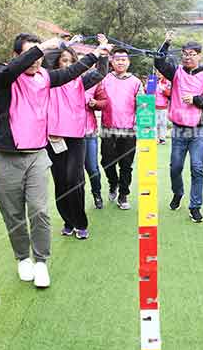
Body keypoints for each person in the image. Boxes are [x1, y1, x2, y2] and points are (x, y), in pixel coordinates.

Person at [0, 33, 103, 288]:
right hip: (7, 158)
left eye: (40, 56)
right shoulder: (4, 75)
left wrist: (98, 53)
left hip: (38, 155)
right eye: (30, 54)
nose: (36, 61)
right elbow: (8, 72)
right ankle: (23, 258)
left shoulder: (46, 77)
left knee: (39, 211)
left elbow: (73, 70)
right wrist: (42, 47)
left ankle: (41, 262)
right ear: (16, 55)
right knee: (14, 214)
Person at [47, 35, 110, 239]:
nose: (68, 64)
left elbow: (101, 72)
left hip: (76, 137)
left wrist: (102, 55)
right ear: (56, 62)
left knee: (74, 179)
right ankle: (67, 220)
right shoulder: (49, 80)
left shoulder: (81, 81)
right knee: (60, 181)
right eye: (63, 60)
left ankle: (80, 223)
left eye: (71, 61)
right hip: (54, 138)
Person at [155, 31, 203, 222]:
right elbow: (158, 62)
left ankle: (195, 206)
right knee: (175, 167)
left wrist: (196, 99)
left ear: (199, 55)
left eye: (192, 54)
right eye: (184, 53)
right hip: (179, 128)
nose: (188, 57)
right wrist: (166, 43)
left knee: (197, 168)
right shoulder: (176, 72)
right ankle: (178, 192)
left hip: (198, 128)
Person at [99, 48, 143, 210]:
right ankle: (113, 183)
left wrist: (141, 125)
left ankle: (123, 194)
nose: (120, 62)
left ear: (128, 62)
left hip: (129, 131)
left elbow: (143, 105)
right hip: (108, 129)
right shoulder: (104, 79)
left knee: (126, 164)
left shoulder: (136, 82)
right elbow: (98, 98)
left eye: (124, 59)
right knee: (106, 161)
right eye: (117, 59)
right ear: (112, 61)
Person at [84, 66, 109, 210]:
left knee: (92, 167)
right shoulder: (65, 81)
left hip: (89, 132)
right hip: (68, 134)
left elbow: (104, 101)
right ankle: (75, 200)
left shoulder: (94, 82)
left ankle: (97, 193)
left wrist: (96, 103)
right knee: (73, 172)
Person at [155, 71, 171, 144]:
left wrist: (164, 90)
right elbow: (148, 92)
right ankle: (155, 138)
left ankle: (162, 139)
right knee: (154, 123)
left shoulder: (167, 82)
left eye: (160, 73)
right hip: (154, 106)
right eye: (157, 73)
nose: (159, 74)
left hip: (164, 106)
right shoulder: (154, 81)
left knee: (163, 123)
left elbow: (170, 94)